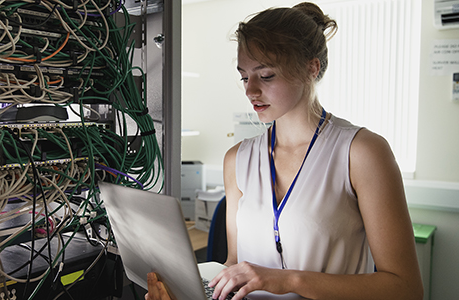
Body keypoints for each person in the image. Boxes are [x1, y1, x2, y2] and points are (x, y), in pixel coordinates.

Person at [146, 2, 423, 300]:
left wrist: (289, 280)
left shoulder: (362, 152)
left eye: (265, 76)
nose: (250, 91)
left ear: (310, 67)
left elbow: (405, 288)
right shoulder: (236, 159)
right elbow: (235, 266)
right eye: (244, 76)